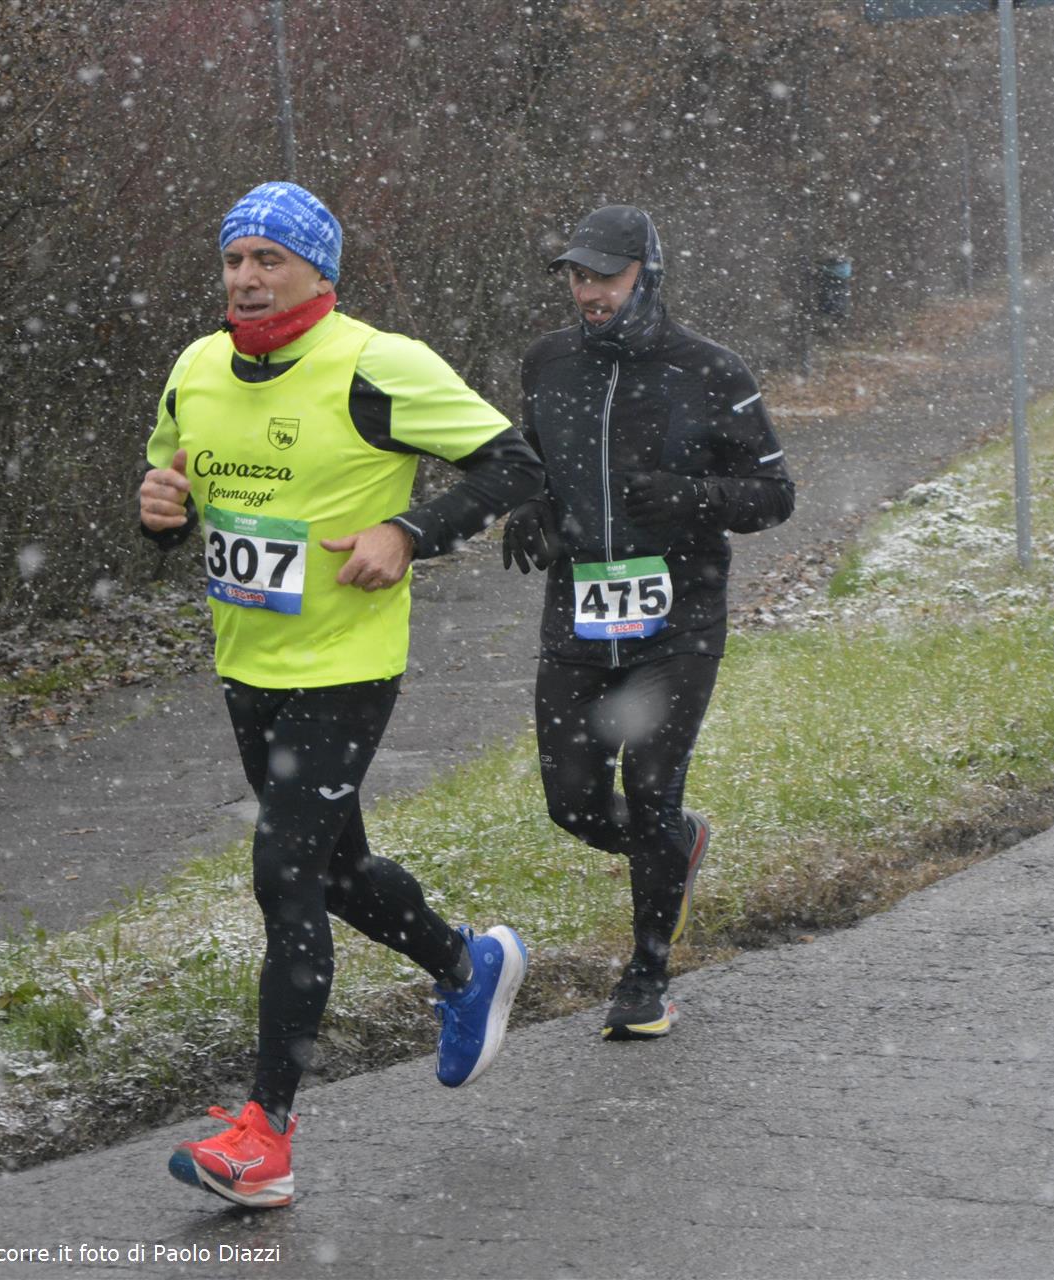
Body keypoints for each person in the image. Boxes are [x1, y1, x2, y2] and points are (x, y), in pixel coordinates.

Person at [138, 182, 543, 1208]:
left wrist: (408, 532)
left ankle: (265, 1137)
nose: (246, 277)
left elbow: (515, 465)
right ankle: (468, 965)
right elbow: (172, 493)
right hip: (248, 665)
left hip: (346, 666)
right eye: (235, 258)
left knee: (284, 875)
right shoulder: (195, 368)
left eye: (269, 259)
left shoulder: (375, 364)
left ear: (318, 271)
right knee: (339, 870)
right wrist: (160, 515)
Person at [504, 205, 795, 1041]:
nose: (588, 293)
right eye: (577, 276)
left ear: (648, 275)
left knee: (652, 789)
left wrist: (690, 497)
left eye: (606, 276)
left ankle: (646, 976)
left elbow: (775, 496)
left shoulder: (709, 369)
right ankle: (676, 846)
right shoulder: (548, 362)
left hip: (679, 618)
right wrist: (531, 505)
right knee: (572, 804)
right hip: (580, 615)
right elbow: (533, 462)